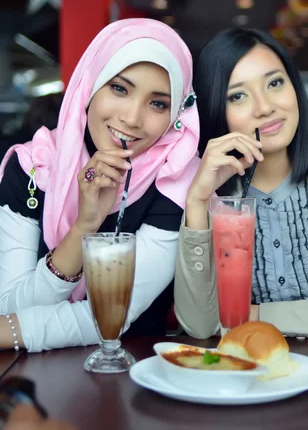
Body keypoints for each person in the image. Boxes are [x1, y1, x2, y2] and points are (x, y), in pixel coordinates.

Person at [174, 28, 308, 339]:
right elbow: (199, 326)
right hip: (243, 376)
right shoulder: (206, 198)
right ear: (216, 110)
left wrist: (255, 316)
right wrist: (198, 202)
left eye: (275, 82)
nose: (264, 107)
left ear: (295, 88)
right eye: (238, 95)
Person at [0, 18, 200, 352]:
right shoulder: (34, 166)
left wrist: (11, 333)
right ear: (90, 86)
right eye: (120, 88)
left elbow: (111, 315)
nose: (132, 118)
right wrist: (84, 226)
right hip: (31, 383)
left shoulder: (176, 180)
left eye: (158, 103)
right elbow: (10, 305)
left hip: (136, 378)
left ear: (176, 113)